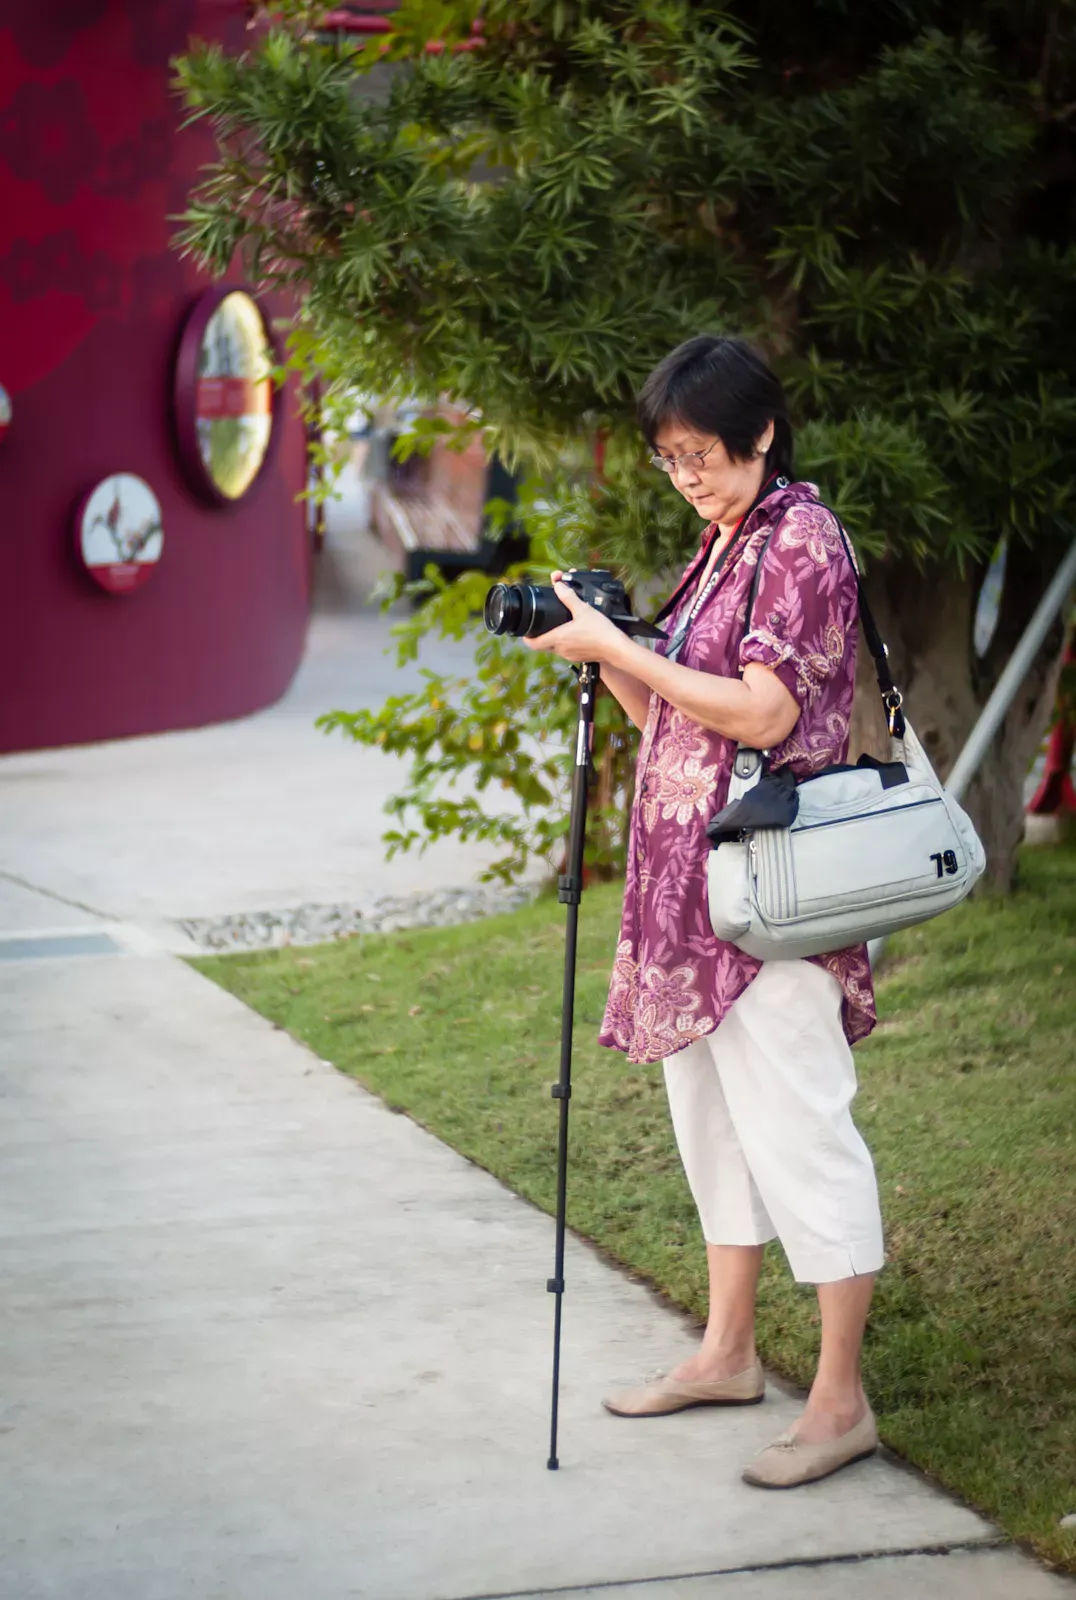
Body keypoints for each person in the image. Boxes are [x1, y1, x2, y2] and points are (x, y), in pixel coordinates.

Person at [523, 334, 884, 1490]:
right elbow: (668, 721)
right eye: (670, 459)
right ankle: (728, 1352)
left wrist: (624, 645)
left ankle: (839, 1399)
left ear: (761, 434)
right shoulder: (723, 540)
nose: (687, 476)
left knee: (801, 1129)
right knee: (715, 1128)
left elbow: (765, 713)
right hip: (692, 897)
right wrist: (601, 647)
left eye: (703, 456)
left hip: (773, 889)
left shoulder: (799, 539)